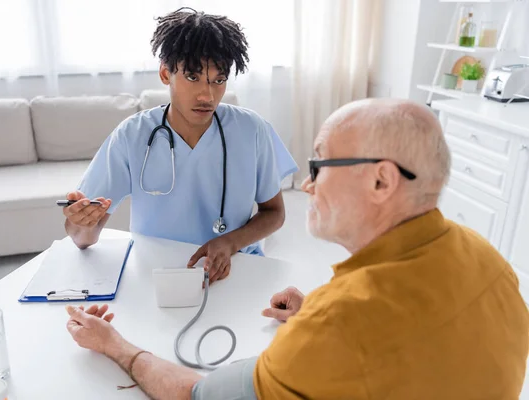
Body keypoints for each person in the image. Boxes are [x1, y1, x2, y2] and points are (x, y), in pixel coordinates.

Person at [65, 98, 528, 399]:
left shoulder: (337, 324)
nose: (306, 184)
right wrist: (317, 315)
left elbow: (196, 394)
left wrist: (115, 345)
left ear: (381, 180)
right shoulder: (490, 262)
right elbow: (425, 348)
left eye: (320, 164)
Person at [62, 7, 297, 283]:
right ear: (165, 73)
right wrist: (81, 225)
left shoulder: (252, 130)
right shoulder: (132, 136)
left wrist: (231, 242)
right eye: (193, 77)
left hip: (235, 267)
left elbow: (275, 213)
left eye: (218, 80)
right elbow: (83, 238)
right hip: (159, 275)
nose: (207, 95)